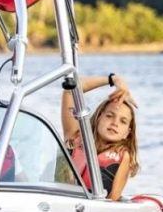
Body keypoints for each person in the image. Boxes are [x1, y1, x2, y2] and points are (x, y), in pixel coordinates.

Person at [60, 72, 140, 200]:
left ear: (127, 133)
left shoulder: (123, 157)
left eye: (123, 121)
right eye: (109, 116)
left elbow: (113, 199)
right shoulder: (74, 137)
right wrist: (113, 79)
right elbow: (70, 90)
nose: (115, 123)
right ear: (99, 118)